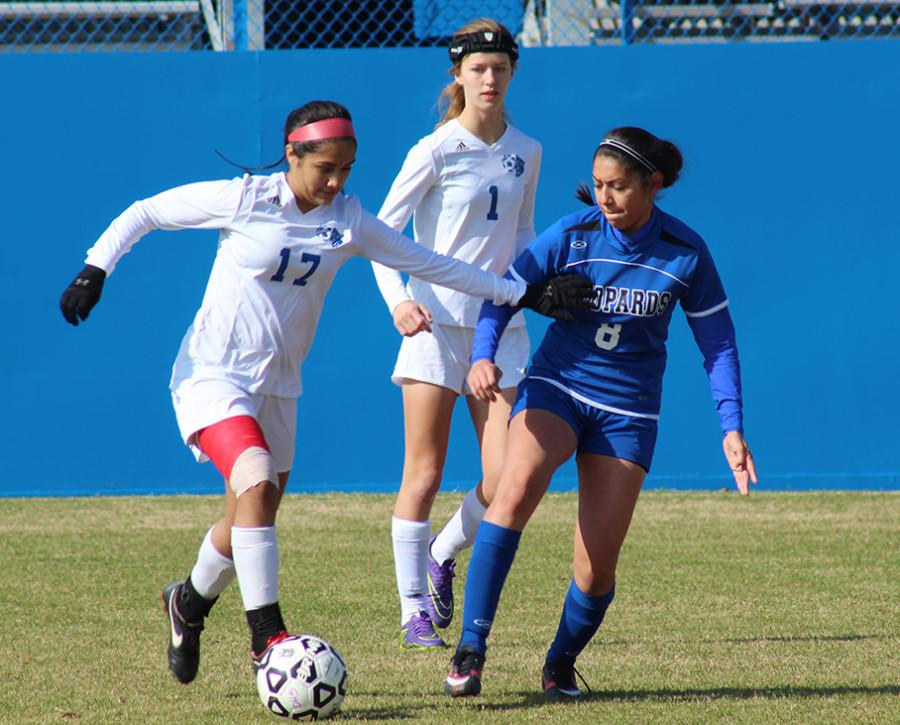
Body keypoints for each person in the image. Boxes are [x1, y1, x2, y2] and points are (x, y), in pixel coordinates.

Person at [58, 100, 593, 687]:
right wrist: (95, 268)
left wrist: (519, 293)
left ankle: (186, 602)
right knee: (257, 479)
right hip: (213, 373)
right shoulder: (245, 199)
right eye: (325, 168)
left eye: (347, 169)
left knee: (248, 513)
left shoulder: (350, 218)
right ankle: (267, 638)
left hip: (281, 386)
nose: (336, 181)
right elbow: (146, 212)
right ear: (292, 154)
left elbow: (434, 264)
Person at [442, 126, 759, 698]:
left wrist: (731, 426)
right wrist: (482, 356)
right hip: (558, 385)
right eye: (597, 184)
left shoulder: (684, 252)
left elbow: (718, 343)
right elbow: (502, 293)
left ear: (652, 184)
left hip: (629, 411)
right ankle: (471, 650)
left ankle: (559, 664)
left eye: (617, 186)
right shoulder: (573, 234)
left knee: (595, 570)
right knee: (513, 491)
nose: (605, 197)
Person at [370, 18, 542, 650]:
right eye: (478, 69)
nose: (489, 78)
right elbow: (381, 237)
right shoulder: (434, 149)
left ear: (512, 72)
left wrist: (531, 284)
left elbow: (523, 233)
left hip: (499, 330)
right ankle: (413, 609)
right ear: (459, 75)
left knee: (505, 480)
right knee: (424, 472)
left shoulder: (528, 148)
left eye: (499, 68)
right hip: (433, 327)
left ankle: (442, 553)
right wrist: (399, 303)